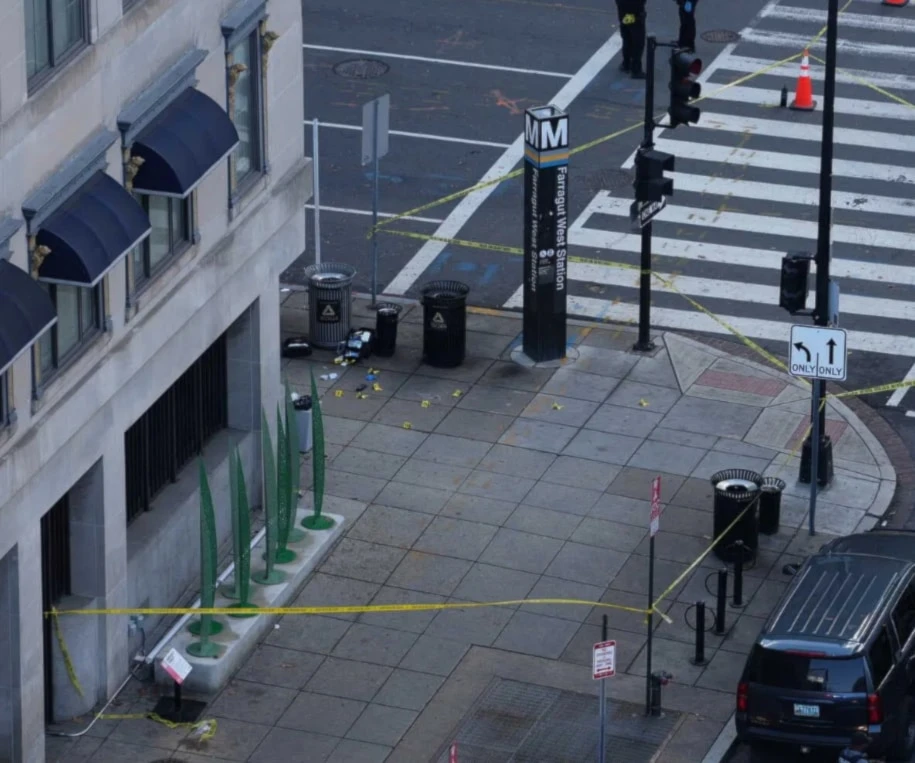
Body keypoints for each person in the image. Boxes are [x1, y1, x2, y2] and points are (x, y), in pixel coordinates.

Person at [616, 0, 647, 79]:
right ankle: (636, 69)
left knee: (627, 38)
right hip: (635, 13)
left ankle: (626, 64)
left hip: (623, 11)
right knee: (638, 42)